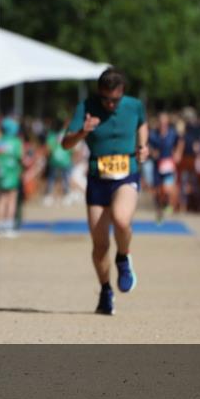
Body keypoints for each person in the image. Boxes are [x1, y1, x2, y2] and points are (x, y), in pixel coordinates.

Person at [62, 68, 148, 316]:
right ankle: (105, 290)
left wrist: (143, 146)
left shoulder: (134, 106)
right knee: (99, 244)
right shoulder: (86, 106)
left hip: (126, 173)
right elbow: (66, 143)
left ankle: (123, 257)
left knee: (122, 220)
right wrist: (83, 132)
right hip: (98, 178)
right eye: (106, 99)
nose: (110, 104)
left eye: (115, 100)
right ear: (99, 93)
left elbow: (143, 125)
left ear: (123, 94)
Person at [148, 111, 182, 222]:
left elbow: (181, 141)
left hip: (168, 163)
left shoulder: (173, 133)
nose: (163, 124)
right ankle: (159, 209)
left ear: (167, 122)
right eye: (161, 122)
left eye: (165, 122)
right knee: (157, 191)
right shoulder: (153, 134)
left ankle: (167, 204)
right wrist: (152, 152)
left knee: (167, 188)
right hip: (156, 165)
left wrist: (178, 153)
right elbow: (147, 146)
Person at [0, 117, 23, 237]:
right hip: (12, 172)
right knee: (12, 199)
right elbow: (20, 157)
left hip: (1, 171)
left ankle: (0, 226)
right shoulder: (16, 142)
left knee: (1, 198)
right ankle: (9, 227)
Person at [44, 122, 75, 205]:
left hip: (53, 160)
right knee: (65, 179)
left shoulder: (51, 135)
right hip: (66, 160)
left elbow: (48, 148)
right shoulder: (67, 134)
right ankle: (66, 195)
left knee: (52, 179)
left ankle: (49, 196)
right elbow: (72, 148)